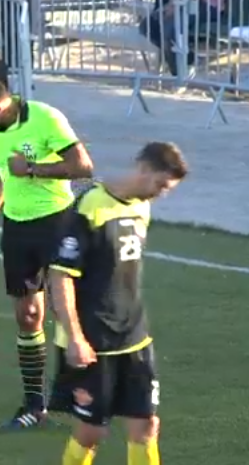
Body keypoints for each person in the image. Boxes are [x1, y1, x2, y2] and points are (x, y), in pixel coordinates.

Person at [0, 73, 95, 431]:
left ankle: (77, 394)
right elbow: (3, 174)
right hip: (17, 228)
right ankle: (35, 405)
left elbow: (84, 167)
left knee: (65, 310)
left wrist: (34, 169)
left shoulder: (46, 118)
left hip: (57, 223)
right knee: (28, 315)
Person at [49, 142, 189, 465]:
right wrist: (74, 338)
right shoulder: (90, 205)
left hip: (134, 337)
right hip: (92, 340)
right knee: (92, 432)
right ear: (143, 168)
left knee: (147, 425)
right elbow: (60, 276)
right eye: (160, 185)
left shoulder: (142, 207)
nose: (161, 194)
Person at [138, 0, 223, 79]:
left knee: (171, 28)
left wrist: (175, 6)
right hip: (184, 3)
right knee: (147, 26)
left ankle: (180, 73)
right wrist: (170, 5)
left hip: (207, 6)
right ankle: (186, 60)